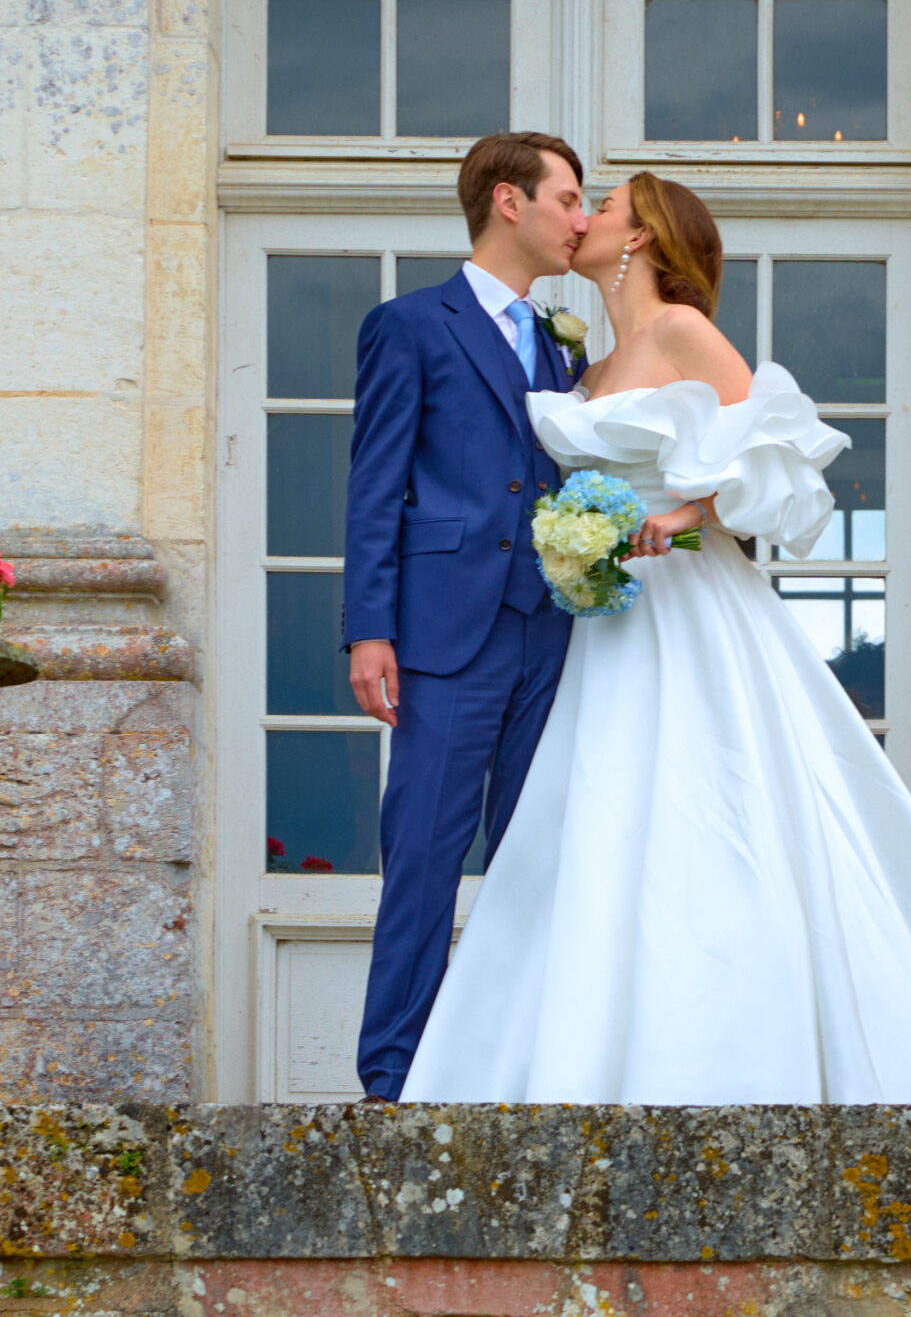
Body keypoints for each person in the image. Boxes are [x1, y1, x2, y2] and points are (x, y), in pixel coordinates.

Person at [400, 173, 911, 1104]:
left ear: (641, 237)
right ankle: (584, 1057)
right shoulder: (578, 367)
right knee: (594, 824)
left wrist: (688, 512)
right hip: (605, 624)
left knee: (713, 806)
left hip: (692, 609)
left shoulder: (680, 332)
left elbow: (784, 467)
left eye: (604, 206)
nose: (582, 219)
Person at [342, 131, 590, 1104]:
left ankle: (514, 1068)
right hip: (445, 632)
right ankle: (392, 1079)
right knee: (426, 858)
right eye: (568, 198)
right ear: (506, 202)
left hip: (553, 628)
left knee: (533, 856)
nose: (581, 218)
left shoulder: (563, 341)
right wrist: (371, 628)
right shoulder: (411, 325)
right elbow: (375, 486)